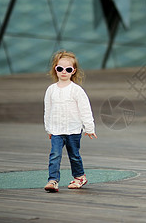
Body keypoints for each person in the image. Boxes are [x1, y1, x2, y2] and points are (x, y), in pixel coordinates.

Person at [43, 51, 97, 193]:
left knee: (74, 155)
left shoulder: (76, 90)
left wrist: (89, 128)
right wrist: (48, 128)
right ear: (55, 69)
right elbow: (48, 109)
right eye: (60, 68)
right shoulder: (51, 90)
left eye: (68, 69)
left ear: (74, 71)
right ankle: (53, 180)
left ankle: (79, 177)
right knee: (55, 154)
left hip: (73, 130)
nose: (64, 72)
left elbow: (85, 109)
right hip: (56, 130)